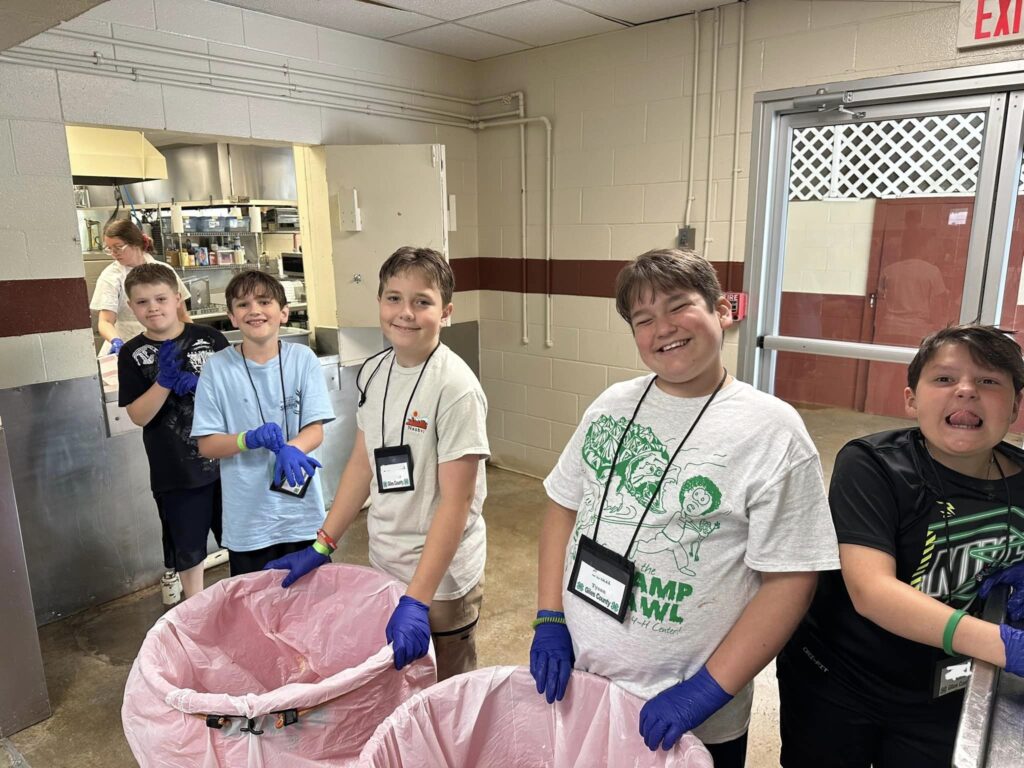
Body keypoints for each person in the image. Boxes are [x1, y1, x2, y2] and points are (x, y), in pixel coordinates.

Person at [529, 248, 839, 768]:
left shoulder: (772, 431)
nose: (663, 329)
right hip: (584, 682)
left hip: (691, 709)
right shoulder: (612, 405)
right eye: (644, 319)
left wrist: (708, 690)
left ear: (721, 310)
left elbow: (792, 578)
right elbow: (562, 506)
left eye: (679, 307)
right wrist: (548, 616)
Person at [777, 324, 1024, 768]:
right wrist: (1004, 645)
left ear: (1016, 406)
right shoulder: (872, 465)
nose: (966, 391)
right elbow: (872, 592)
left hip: (946, 690)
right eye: (945, 379)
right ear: (911, 399)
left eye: (989, 381)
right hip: (839, 679)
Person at [265, 246, 489, 681]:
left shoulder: (456, 389)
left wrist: (418, 599)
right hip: (386, 561)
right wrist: (323, 542)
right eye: (393, 298)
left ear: (445, 312)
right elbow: (361, 467)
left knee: (448, 690)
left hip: (439, 580)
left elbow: (456, 504)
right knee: (401, 688)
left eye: (422, 301)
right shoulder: (373, 372)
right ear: (380, 303)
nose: (405, 312)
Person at [191, 271, 334, 575]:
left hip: (302, 515)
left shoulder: (302, 358)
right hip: (249, 521)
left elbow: (315, 428)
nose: (254, 310)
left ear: (283, 312)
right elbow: (207, 444)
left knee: (312, 605)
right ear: (231, 317)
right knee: (256, 611)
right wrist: (247, 440)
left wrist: (293, 448)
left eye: (264, 301)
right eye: (243, 304)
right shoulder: (216, 369)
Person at [118, 263, 229, 598]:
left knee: (239, 537)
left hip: (228, 462)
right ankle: (194, 609)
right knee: (188, 548)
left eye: (160, 298)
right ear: (130, 307)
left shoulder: (210, 339)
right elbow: (138, 415)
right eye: (142, 302)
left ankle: (245, 602)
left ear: (177, 298)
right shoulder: (132, 354)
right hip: (175, 470)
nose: (153, 307)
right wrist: (164, 382)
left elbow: (236, 397)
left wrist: (201, 387)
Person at [90, 218, 191, 355]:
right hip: (127, 346)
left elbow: (182, 315)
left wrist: (193, 340)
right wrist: (116, 342)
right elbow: (105, 321)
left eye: (118, 247)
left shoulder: (163, 270)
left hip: (165, 348)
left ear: (135, 243)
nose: (114, 253)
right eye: (110, 249)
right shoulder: (111, 277)